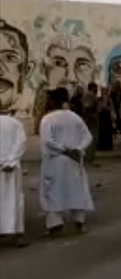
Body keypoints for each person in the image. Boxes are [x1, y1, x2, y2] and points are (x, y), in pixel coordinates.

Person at [38, 88, 94, 235]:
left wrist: (64, 149)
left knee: (53, 191)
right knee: (76, 190)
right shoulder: (75, 117)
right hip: (74, 160)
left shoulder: (48, 119)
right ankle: (80, 221)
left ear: (54, 101)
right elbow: (88, 137)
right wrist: (78, 149)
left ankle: (55, 224)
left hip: (55, 160)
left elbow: (48, 141)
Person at [0, 110, 27, 247]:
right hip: (12, 168)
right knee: (15, 199)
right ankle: (18, 234)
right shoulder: (15, 123)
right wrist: (11, 161)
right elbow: (21, 143)